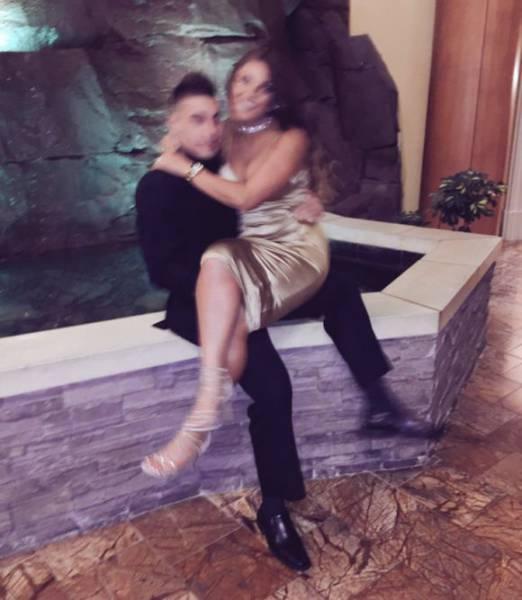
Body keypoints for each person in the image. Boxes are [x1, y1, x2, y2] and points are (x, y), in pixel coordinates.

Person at [135, 54, 433, 572]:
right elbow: (162, 271)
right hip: (203, 301)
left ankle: (379, 402)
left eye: (214, 117)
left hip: (255, 280)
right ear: (173, 125)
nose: (210, 128)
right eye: (196, 120)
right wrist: (234, 291)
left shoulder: (222, 165)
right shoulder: (156, 185)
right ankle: (274, 508)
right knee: (273, 388)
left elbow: (264, 199)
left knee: (340, 287)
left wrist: (307, 203)